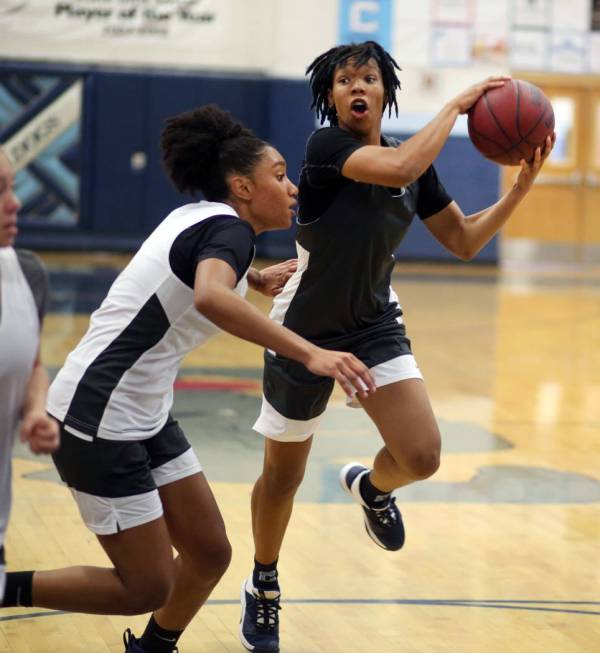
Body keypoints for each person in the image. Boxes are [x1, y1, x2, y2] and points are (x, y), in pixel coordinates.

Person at [0, 105, 375, 653]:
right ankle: (6, 589)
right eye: (278, 175)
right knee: (145, 584)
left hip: (139, 412)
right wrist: (311, 353)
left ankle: (151, 648)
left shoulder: (199, 218)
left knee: (209, 553)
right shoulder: (230, 232)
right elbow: (208, 294)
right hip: (96, 419)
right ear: (242, 187)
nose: (292, 188)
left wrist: (253, 279)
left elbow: (190, 269)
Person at [240, 41, 554, 653]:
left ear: (385, 90)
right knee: (283, 477)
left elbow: (462, 239)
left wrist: (518, 191)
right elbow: (400, 167)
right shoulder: (326, 149)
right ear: (330, 97)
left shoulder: (415, 163)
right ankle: (265, 583)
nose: (356, 87)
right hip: (302, 329)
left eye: (368, 77)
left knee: (423, 454)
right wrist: (460, 102)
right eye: (343, 80)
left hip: (374, 322)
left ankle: (373, 487)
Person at [0, 148, 60, 607]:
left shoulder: (26, 273)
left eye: (12, 186)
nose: (14, 202)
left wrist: (35, 409)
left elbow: (33, 363)